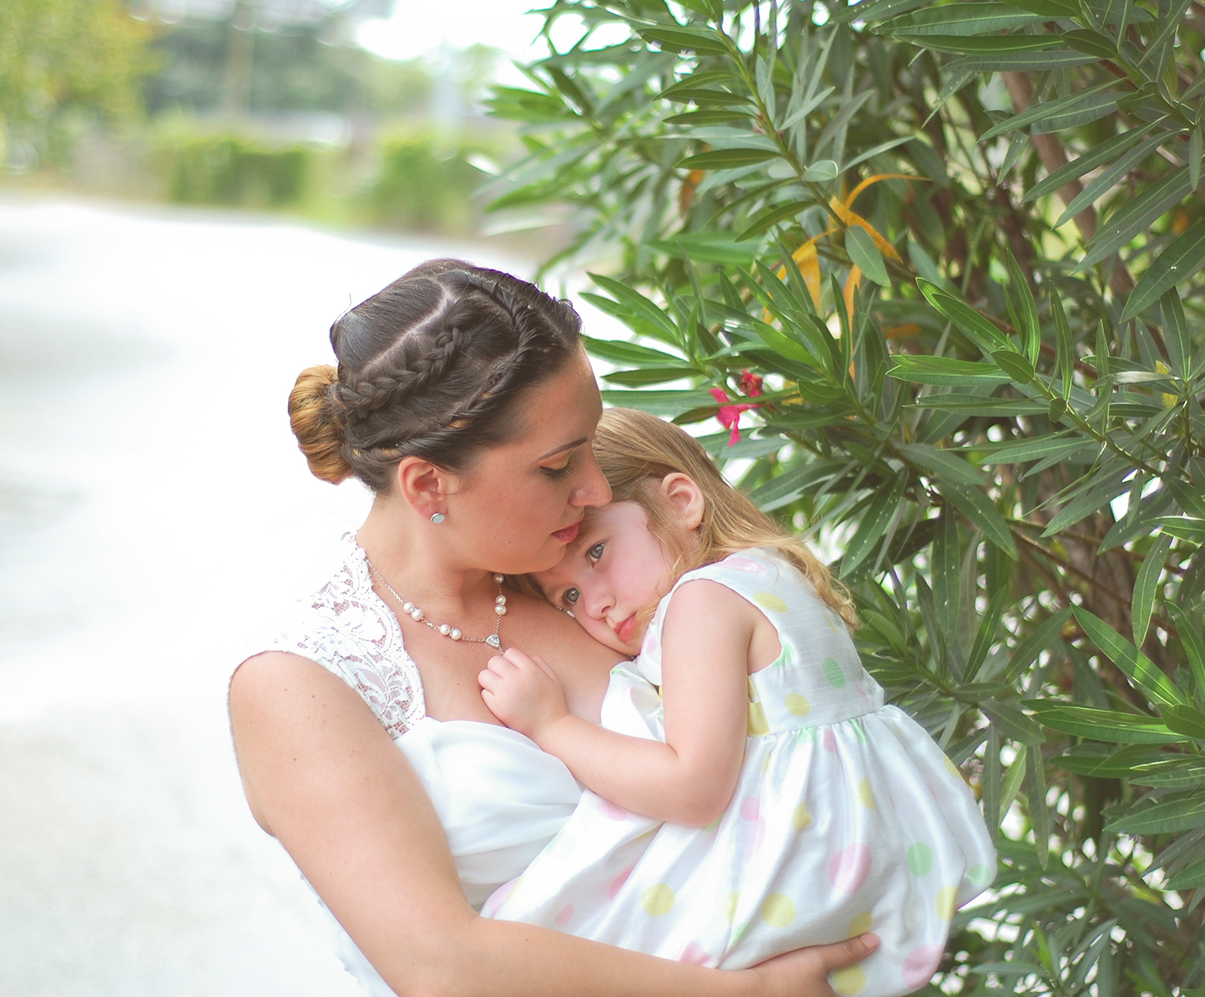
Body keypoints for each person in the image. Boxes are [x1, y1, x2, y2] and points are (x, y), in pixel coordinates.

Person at [228, 259, 879, 997]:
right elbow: (440, 963)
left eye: (590, 446)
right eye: (557, 465)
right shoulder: (297, 683)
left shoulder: (587, 582)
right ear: (427, 485)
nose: (596, 488)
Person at [478, 408, 995, 996]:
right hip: (845, 861)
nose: (592, 603)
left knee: (540, 952)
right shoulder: (768, 577)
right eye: (567, 594)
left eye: (597, 553)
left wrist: (551, 724)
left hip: (785, 869)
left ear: (681, 502)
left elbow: (693, 788)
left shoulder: (702, 603)